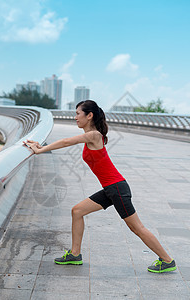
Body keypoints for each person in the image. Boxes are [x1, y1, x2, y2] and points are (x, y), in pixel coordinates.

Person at [24, 100, 176, 273]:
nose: (75, 118)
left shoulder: (94, 135)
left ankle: (167, 260)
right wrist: (39, 146)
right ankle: (75, 255)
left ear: (89, 116)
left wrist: (40, 149)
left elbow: (66, 141)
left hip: (117, 188)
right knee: (77, 211)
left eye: (78, 114)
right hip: (111, 189)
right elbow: (68, 142)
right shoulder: (93, 135)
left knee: (136, 228)